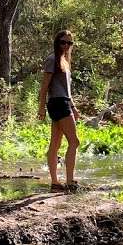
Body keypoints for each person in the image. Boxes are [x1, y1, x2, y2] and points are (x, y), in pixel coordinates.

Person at [38, 30, 80, 192]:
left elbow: (67, 89)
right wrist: (41, 107)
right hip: (57, 103)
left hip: (64, 102)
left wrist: (74, 107)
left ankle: (55, 183)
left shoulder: (65, 61)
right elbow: (44, 87)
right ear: (57, 42)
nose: (66, 46)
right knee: (74, 142)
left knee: (55, 144)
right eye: (63, 42)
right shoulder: (52, 59)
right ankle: (70, 181)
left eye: (69, 43)